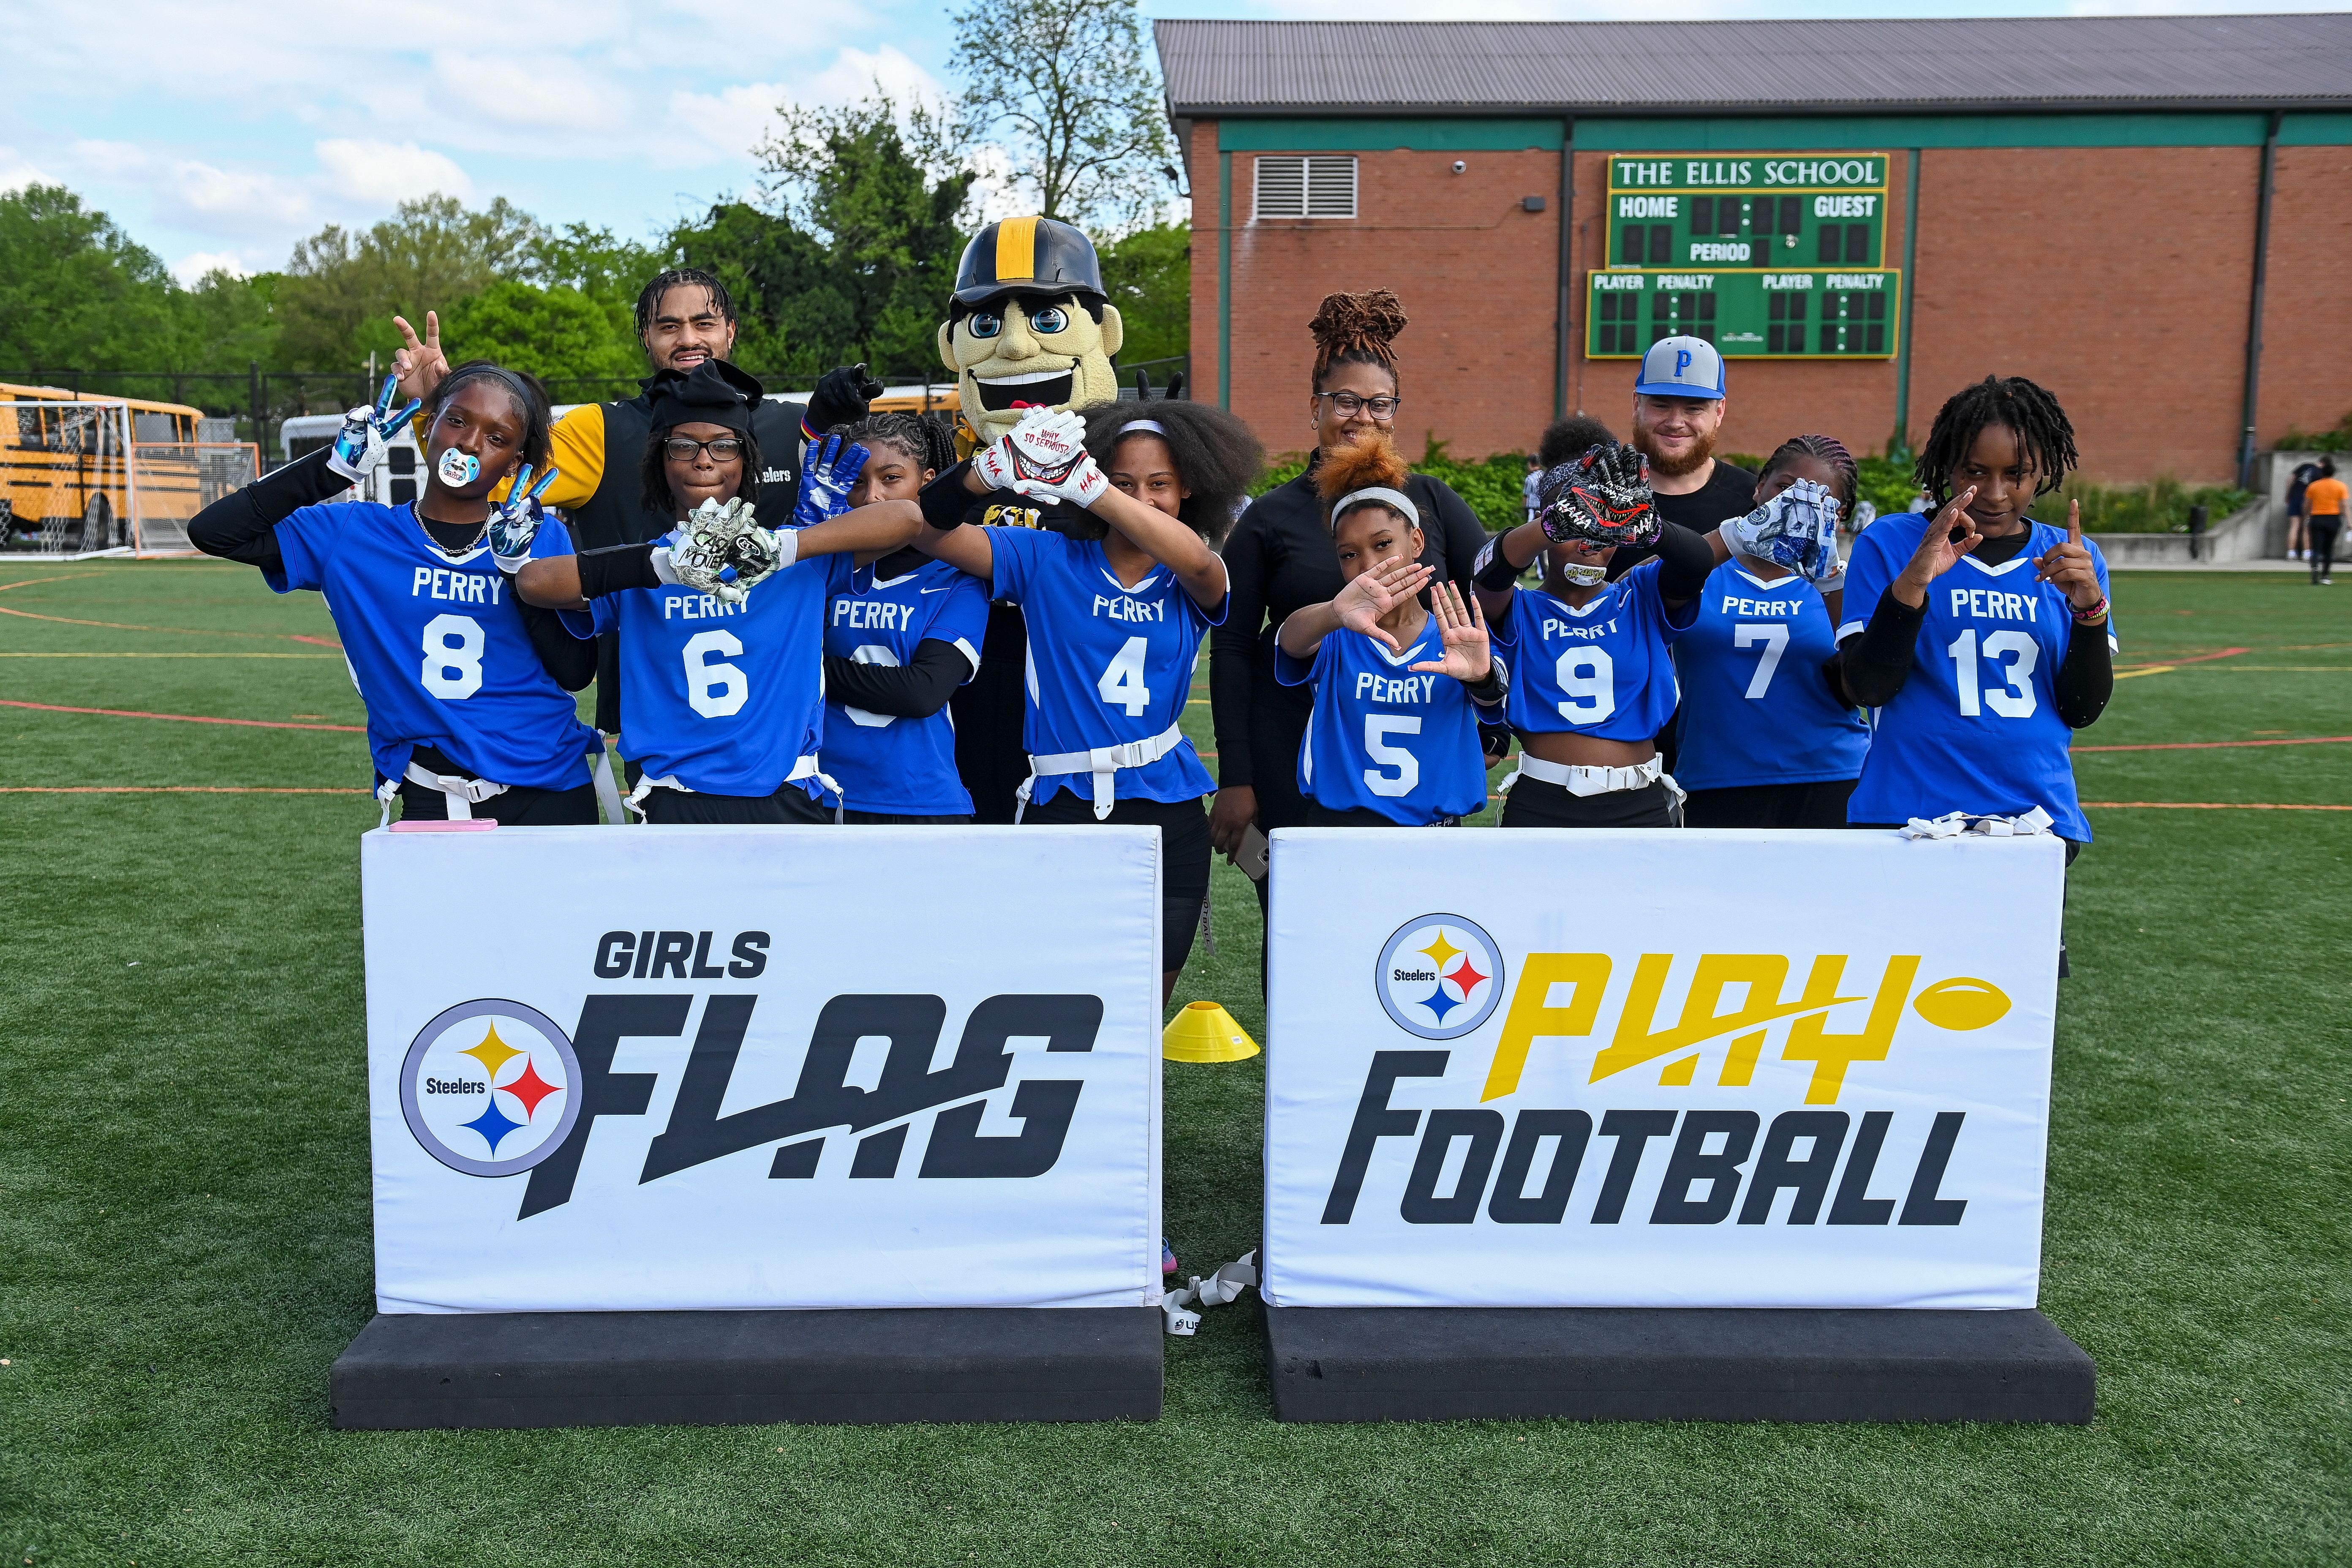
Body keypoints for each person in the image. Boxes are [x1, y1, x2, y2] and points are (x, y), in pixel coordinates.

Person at [389, 272, 882, 732]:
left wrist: (830, 428)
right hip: (655, 699)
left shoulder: (797, 426)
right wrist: (434, 410)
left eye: (704, 323)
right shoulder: (600, 429)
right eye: (669, 326)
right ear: (646, 336)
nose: (688, 339)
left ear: (731, 331)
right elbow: (487, 483)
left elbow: (884, 516)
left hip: (784, 702)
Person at [187, 362, 606, 823]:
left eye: (497, 438)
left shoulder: (539, 537)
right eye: (458, 421)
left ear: (514, 464)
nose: (469, 443)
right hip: (434, 792)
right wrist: (331, 471)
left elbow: (574, 671)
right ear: (429, 428)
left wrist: (515, 570)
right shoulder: (353, 533)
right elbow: (215, 532)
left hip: (554, 786)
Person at [913, 406, 1235, 1003]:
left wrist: (1097, 488)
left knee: (1139, 1017)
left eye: (1159, 484)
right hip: (1061, 803)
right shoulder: (1045, 557)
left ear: (1189, 487)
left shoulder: (1193, 571)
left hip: (1167, 807)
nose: (1143, 498)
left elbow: (1198, 563)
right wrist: (982, 473)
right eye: (1125, 480)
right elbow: (926, 530)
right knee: (1055, 1002)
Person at [512, 361, 922, 823]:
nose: (703, 459)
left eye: (723, 446)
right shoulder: (643, 568)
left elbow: (907, 518)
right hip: (675, 798)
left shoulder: (795, 556)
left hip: (784, 795)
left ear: (746, 460)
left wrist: (781, 548)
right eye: (683, 446)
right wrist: (669, 566)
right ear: (659, 462)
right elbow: (535, 582)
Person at [1209, 291, 1489, 942]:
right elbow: (1233, 649)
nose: (1360, 416)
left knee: (1417, 932)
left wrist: (1489, 711)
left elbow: (1491, 605)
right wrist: (1239, 777)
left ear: (1395, 413)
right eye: (1344, 401)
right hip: (1297, 753)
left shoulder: (1431, 503)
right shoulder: (1273, 516)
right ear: (1315, 408)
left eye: (1378, 403)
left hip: (1414, 749)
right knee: (1304, 929)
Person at [1835, 375, 2114, 862]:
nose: (1995, 492)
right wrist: (1911, 587)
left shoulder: (2072, 557)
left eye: (2017, 474)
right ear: (1947, 465)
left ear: (2043, 468)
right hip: (1908, 812)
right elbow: (1867, 689)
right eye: (1976, 471)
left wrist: (2090, 611)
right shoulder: (1891, 542)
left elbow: (2082, 709)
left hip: (2034, 815)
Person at [1471, 443, 1718, 826]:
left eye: (1604, 527)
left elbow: (1697, 560)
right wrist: (1553, 525)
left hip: (1640, 799)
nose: (1589, 543)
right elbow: (1488, 571)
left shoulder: (1639, 595)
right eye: (1579, 526)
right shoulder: (1518, 608)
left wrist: (1650, 529)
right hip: (1545, 799)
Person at [1275, 434, 1506, 827]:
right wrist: (1334, 611)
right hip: (1341, 830)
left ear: (1417, 541)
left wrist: (1481, 678)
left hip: (1434, 835)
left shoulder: (1456, 634)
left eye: (1383, 544)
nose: (1367, 563)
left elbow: (1495, 708)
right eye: (1349, 555)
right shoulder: (1336, 632)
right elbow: (1289, 640)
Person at [1672, 435, 1869, 828]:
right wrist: (1729, 537)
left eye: (1818, 499)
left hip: (1831, 776)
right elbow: (1628, 596)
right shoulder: (1705, 572)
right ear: (1760, 486)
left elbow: (1867, 674)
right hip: (1715, 778)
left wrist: (1831, 578)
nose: (1796, 505)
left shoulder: (1845, 586)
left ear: (1841, 513)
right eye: (1785, 489)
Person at [816, 412, 993, 823]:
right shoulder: (816, 571)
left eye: (891, 478)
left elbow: (923, 692)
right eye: (857, 482)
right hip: (819, 797)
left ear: (927, 481)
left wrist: (805, 667)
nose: (872, 496)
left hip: (920, 801)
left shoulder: (956, 578)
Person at [1604, 336, 1757, 581]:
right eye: (1661, 406)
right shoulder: (1595, 492)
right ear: (1636, 405)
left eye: (1694, 409)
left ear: (1719, 412)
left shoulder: (1753, 501)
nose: (1675, 423)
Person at [2303, 457, 2344, 585]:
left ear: (2322, 473)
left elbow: (2307, 505)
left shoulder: (2314, 486)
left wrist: (2306, 516)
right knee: (2329, 547)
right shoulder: (2340, 486)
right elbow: (2343, 505)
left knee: (2317, 546)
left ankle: (2315, 567)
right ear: (2333, 473)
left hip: (2317, 517)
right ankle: (2326, 575)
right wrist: (2349, 521)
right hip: (2333, 517)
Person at [2285, 457, 2322, 561]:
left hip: (2295, 498)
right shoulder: (2320, 473)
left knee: (2294, 526)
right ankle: (2307, 552)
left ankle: (2291, 552)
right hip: (2308, 500)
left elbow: (2291, 479)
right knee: (2306, 527)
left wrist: (2288, 495)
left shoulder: (2304, 466)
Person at [1523, 454, 1543, 525]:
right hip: (1542, 506)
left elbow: (1526, 494)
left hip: (1532, 507)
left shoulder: (1530, 478)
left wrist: (1524, 507)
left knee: (1530, 524)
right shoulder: (1544, 475)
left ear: (1530, 464)